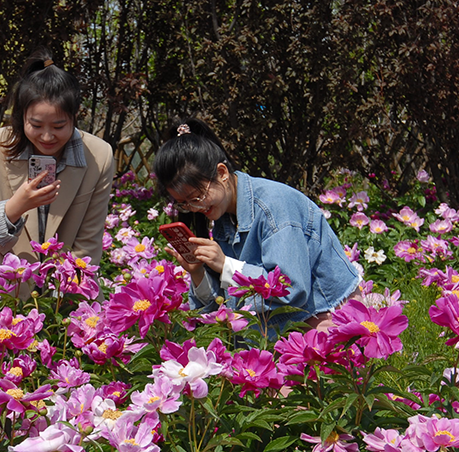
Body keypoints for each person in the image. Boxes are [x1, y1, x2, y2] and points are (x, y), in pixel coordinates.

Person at [153, 118, 361, 334]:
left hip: (328, 318)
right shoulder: (224, 214)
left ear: (222, 173)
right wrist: (197, 272)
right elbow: (221, 305)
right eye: (184, 203)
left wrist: (226, 265)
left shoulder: (275, 206)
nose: (195, 208)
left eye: (197, 197)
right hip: (279, 327)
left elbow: (290, 290)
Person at [0, 48, 115, 275]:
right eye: (36, 125)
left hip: (64, 287)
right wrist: (15, 207)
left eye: (59, 126)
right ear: (21, 116)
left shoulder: (98, 156)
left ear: (74, 117)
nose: (47, 137)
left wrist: (62, 291)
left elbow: (88, 243)